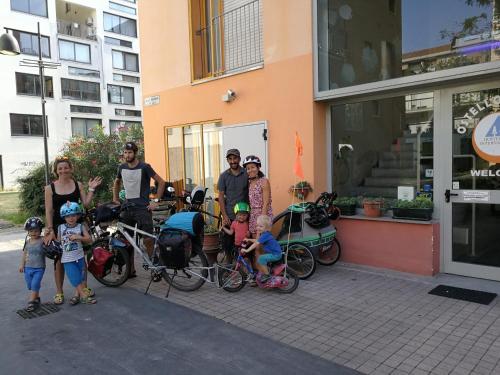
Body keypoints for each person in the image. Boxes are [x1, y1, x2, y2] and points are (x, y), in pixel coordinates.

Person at [44, 156, 102, 305]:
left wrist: (91, 188)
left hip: (77, 225)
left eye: (66, 168)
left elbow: (86, 204)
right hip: (59, 227)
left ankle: (81, 290)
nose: (63, 170)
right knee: (59, 260)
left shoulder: (78, 184)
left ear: (71, 169)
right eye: (60, 168)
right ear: (56, 171)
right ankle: (59, 292)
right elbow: (49, 211)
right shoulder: (49, 188)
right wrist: (50, 229)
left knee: (80, 257)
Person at [113, 141, 165, 277]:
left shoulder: (145, 167)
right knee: (126, 240)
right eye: (125, 152)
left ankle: (155, 269)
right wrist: (116, 199)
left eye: (130, 152)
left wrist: (156, 201)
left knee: (148, 239)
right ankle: (130, 270)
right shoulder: (121, 167)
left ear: (135, 153)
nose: (127, 155)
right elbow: (117, 182)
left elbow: (161, 182)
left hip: (143, 209)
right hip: (127, 208)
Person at [57, 202, 96, 305]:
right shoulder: (60, 228)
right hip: (67, 259)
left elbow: (89, 239)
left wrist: (79, 237)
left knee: (82, 277)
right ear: (64, 217)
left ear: (78, 215)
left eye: (73, 215)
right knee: (75, 278)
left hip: (80, 257)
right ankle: (84, 297)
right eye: (68, 216)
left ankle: (77, 295)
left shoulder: (80, 227)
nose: (71, 218)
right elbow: (57, 242)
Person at [242, 215, 282, 283]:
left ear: (266, 228)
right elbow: (257, 240)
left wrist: (247, 250)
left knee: (261, 258)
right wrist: (248, 239)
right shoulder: (264, 234)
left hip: (275, 254)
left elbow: (256, 243)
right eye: (257, 226)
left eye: (261, 226)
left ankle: (267, 275)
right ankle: (266, 271)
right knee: (262, 258)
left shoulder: (265, 235)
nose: (258, 228)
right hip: (274, 253)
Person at [19, 217, 46, 312]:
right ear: (28, 232)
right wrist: (22, 265)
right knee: (30, 285)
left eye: (36, 230)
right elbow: (24, 254)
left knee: (35, 284)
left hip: (39, 267)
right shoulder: (27, 242)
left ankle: (31, 302)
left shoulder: (43, 240)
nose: (34, 233)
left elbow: (49, 237)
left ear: (40, 231)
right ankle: (37, 298)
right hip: (28, 267)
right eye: (31, 231)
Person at [243, 155, 273, 237]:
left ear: (258, 168)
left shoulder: (264, 181)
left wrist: (262, 221)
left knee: (261, 244)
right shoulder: (249, 183)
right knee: (254, 243)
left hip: (263, 214)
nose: (250, 170)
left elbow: (266, 203)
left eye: (253, 167)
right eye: (248, 168)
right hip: (253, 215)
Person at [217, 149, 248, 226]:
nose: (233, 161)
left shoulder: (247, 173)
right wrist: (224, 216)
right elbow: (221, 196)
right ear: (227, 160)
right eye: (230, 159)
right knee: (228, 237)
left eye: (235, 158)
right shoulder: (223, 176)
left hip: (245, 216)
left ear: (239, 159)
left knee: (243, 238)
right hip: (229, 216)